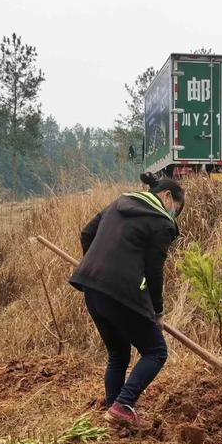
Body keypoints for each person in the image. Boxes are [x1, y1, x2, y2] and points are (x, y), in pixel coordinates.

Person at [69, 173, 184, 429]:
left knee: (118, 353)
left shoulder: (118, 203)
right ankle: (123, 405)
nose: (174, 215)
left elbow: (86, 233)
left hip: (92, 288)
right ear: (167, 197)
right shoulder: (160, 223)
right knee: (156, 351)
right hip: (121, 293)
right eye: (177, 209)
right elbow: (154, 272)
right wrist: (158, 311)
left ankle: (113, 410)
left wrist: (94, 264)